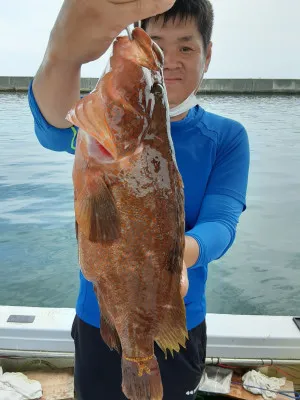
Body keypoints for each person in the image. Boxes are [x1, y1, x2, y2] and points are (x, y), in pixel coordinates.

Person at [28, 0, 250, 398]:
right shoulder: (99, 142)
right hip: (99, 320)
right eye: (159, 46)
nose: (169, 61)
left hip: (178, 322)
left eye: (186, 46)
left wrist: (179, 254)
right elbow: (52, 127)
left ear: (208, 54)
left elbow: (223, 222)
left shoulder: (227, 137)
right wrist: (62, 55)